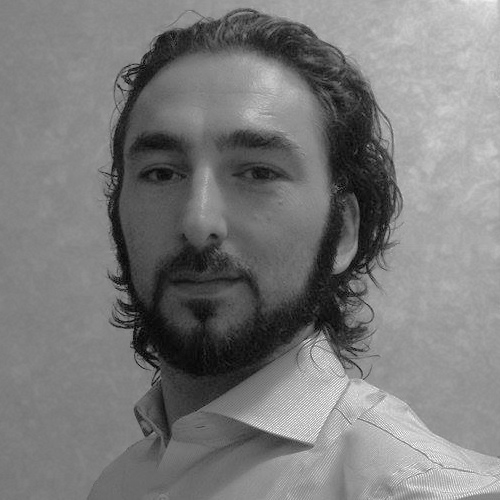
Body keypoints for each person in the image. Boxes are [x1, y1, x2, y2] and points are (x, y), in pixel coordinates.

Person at [88, 8, 500, 500]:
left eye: (258, 173)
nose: (198, 222)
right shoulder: (118, 484)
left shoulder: (418, 488)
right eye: (161, 173)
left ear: (342, 231)